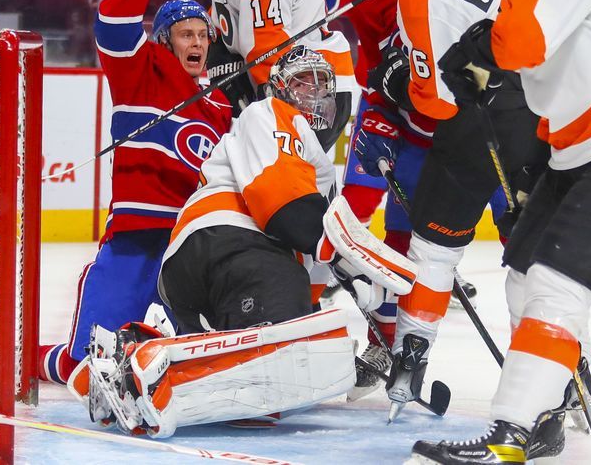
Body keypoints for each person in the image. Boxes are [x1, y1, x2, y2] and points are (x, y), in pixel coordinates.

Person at [66, 47, 417, 438]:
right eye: (303, 83)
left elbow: (310, 274)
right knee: (282, 363)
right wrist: (353, 263)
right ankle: (150, 365)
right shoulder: (270, 114)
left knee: (261, 401)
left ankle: (136, 359)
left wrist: (321, 317)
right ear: (278, 89)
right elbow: (282, 207)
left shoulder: (317, 172)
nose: (314, 95)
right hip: (236, 247)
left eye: (323, 87)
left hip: (202, 274)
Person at [411, 0, 591, 461]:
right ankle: (548, 414)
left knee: (556, 287)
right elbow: (546, 52)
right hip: (577, 149)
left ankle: (512, 434)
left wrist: (485, 45)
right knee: (523, 277)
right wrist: (487, 53)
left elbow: (523, 40)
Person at [356, 0, 549, 422]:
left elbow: (435, 102)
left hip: (473, 128)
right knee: (529, 253)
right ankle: (549, 375)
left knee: (434, 253)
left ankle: (407, 363)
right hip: (537, 103)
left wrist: (395, 74)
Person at [305, 0, 502, 401]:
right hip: (387, 115)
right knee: (347, 215)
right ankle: (302, 314)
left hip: (446, 126)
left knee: (411, 235)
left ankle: (389, 341)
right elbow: (314, 2)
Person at [38, 0, 232, 384]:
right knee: (84, 365)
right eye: (187, 34)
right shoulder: (140, 75)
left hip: (191, 248)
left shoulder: (222, 103)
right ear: (164, 40)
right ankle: (23, 359)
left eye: (203, 34)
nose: (198, 43)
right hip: (133, 242)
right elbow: (111, 21)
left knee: (183, 362)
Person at [202, 0, 353, 153]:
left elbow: (270, 59)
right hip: (287, 75)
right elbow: (222, 20)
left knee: (285, 183)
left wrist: (264, 126)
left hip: (314, 91)